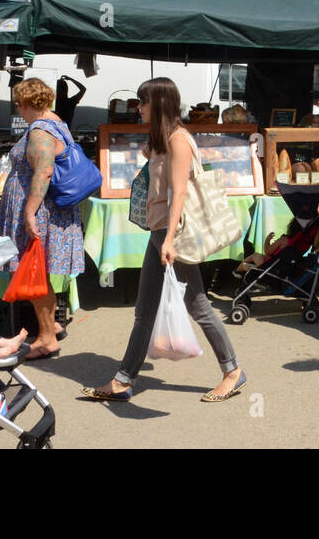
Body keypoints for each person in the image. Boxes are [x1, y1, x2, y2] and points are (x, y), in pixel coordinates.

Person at [83, 77, 245, 402]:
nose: (138, 108)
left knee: (198, 305)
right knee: (144, 311)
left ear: (157, 104)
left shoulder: (179, 140)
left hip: (174, 235)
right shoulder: (162, 141)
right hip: (159, 234)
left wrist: (169, 239)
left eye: (142, 102)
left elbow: (180, 192)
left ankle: (232, 371)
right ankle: (123, 380)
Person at [0, 77, 84, 360]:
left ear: (24, 103)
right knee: (37, 271)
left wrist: (29, 211)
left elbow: (43, 171)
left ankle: (47, 338)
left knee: (31, 270)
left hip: (39, 210)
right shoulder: (56, 122)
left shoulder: (40, 130)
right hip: (41, 208)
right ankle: (50, 325)